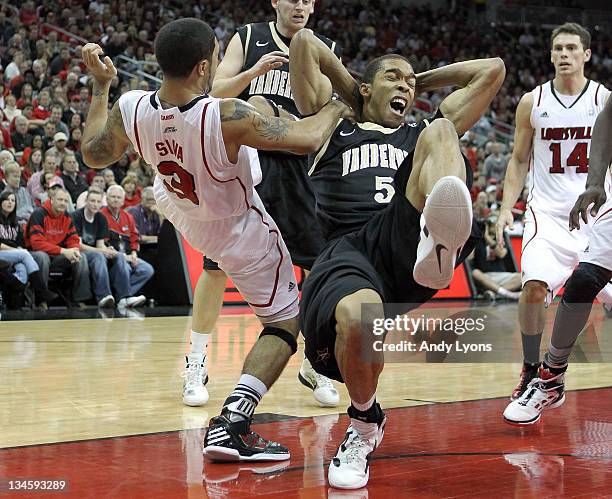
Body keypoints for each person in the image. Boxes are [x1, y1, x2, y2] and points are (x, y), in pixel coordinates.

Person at [79, 18, 350, 461]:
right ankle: (233, 423)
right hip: (237, 226)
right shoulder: (224, 115)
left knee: (185, 206)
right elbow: (308, 137)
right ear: (204, 68)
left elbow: (93, 153)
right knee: (285, 323)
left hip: (184, 211)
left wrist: (100, 87)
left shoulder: (130, 106)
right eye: (219, 58)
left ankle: (198, 366)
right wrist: (338, 105)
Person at [290, 29, 504, 488]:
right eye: (394, 78)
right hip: (349, 250)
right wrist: (358, 87)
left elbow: (493, 70)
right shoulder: (334, 122)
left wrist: (411, 81)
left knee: (443, 129)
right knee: (357, 317)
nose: (406, 87)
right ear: (365, 88)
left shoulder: (417, 131)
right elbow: (305, 43)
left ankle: (439, 238)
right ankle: (365, 423)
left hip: (405, 236)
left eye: (410, 83)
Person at [188, 0, 342, 409]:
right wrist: (254, 73)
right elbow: (214, 93)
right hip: (250, 161)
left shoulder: (323, 47)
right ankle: (195, 361)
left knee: (315, 267)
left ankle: (314, 361)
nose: (301, 5)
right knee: (216, 267)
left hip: (300, 167)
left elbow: (331, 108)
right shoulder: (249, 36)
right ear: (276, 1)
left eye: (308, 0)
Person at [496, 23, 612, 402]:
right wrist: (502, 211)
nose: (564, 54)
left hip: (597, 217)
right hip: (547, 214)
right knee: (532, 288)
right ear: (549, 55)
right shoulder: (533, 101)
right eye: (558, 48)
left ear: (587, 54)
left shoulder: (603, 100)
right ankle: (533, 370)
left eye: (571, 48)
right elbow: (517, 160)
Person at [26, 187, 91, 307]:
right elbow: (37, 244)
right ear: (51, 200)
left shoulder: (67, 216)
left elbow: (73, 238)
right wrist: (63, 251)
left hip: (57, 256)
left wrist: (74, 250)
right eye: (60, 200)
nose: (63, 203)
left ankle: (79, 299)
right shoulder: (39, 214)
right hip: (35, 255)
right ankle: (41, 300)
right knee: (42, 257)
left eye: (66, 201)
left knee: (80, 258)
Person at [0, 190, 57, 308]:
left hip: (13, 254)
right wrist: (17, 251)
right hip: (2, 252)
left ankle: (15, 305)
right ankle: (41, 291)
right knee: (24, 255)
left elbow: (20, 244)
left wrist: (19, 251)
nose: (10, 203)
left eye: (13, 200)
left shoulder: (15, 222)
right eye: (7, 200)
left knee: (23, 268)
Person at [100, 185, 153, 308]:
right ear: (107, 199)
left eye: (119, 197)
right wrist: (124, 256)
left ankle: (119, 295)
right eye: (113, 197)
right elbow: (102, 242)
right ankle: (125, 297)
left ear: (123, 201)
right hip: (110, 257)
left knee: (147, 269)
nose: (116, 200)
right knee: (121, 260)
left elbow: (134, 237)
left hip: (128, 255)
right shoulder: (100, 215)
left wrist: (134, 253)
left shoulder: (128, 216)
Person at [71, 188, 118, 308]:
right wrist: (102, 251)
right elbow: (79, 245)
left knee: (116, 256)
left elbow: (100, 244)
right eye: (92, 201)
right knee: (99, 256)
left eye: (98, 202)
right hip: (77, 251)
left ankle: (122, 297)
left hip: (94, 252)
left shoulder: (101, 218)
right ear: (86, 201)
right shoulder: (76, 216)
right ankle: (103, 296)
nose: (95, 204)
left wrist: (108, 251)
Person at [469, 215, 521, 300]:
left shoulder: (502, 237)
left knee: (523, 276)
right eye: (492, 223)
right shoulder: (478, 238)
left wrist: (488, 239)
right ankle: (504, 294)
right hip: (484, 276)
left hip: (500, 275)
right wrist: (474, 239)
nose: (496, 225)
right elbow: (469, 258)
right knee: (475, 272)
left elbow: (502, 254)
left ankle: (495, 293)